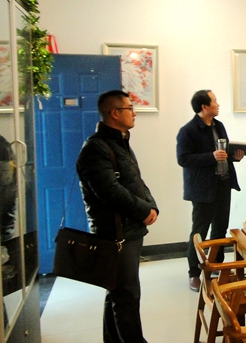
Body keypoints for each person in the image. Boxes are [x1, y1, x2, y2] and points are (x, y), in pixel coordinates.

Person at [76, 90, 159, 343]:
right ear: (114, 113)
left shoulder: (120, 142)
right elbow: (110, 192)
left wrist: (152, 206)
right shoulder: (95, 148)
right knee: (126, 297)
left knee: (117, 292)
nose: (134, 113)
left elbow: (136, 181)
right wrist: (143, 211)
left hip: (129, 228)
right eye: (129, 108)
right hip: (115, 233)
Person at [176, 90, 244, 292]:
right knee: (199, 231)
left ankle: (215, 266)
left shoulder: (219, 126)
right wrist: (211, 156)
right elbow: (183, 159)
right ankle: (194, 274)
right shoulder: (188, 131)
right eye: (214, 101)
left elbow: (224, 153)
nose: (218, 104)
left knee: (220, 228)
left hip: (223, 183)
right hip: (202, 188)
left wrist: (234, 156)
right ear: (204, 107)